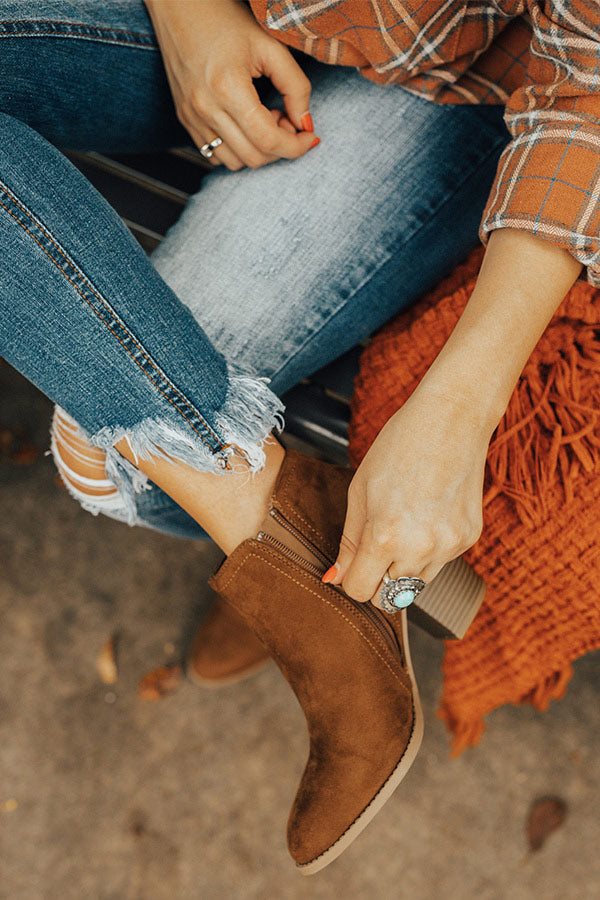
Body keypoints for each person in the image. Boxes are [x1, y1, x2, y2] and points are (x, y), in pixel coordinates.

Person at [0, 0, 592, 874]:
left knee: (109, 454)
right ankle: (298, 553)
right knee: (127, 410)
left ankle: (288, 557)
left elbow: (590, 92)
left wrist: (455, 416)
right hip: (245, 18)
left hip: (446, 80)